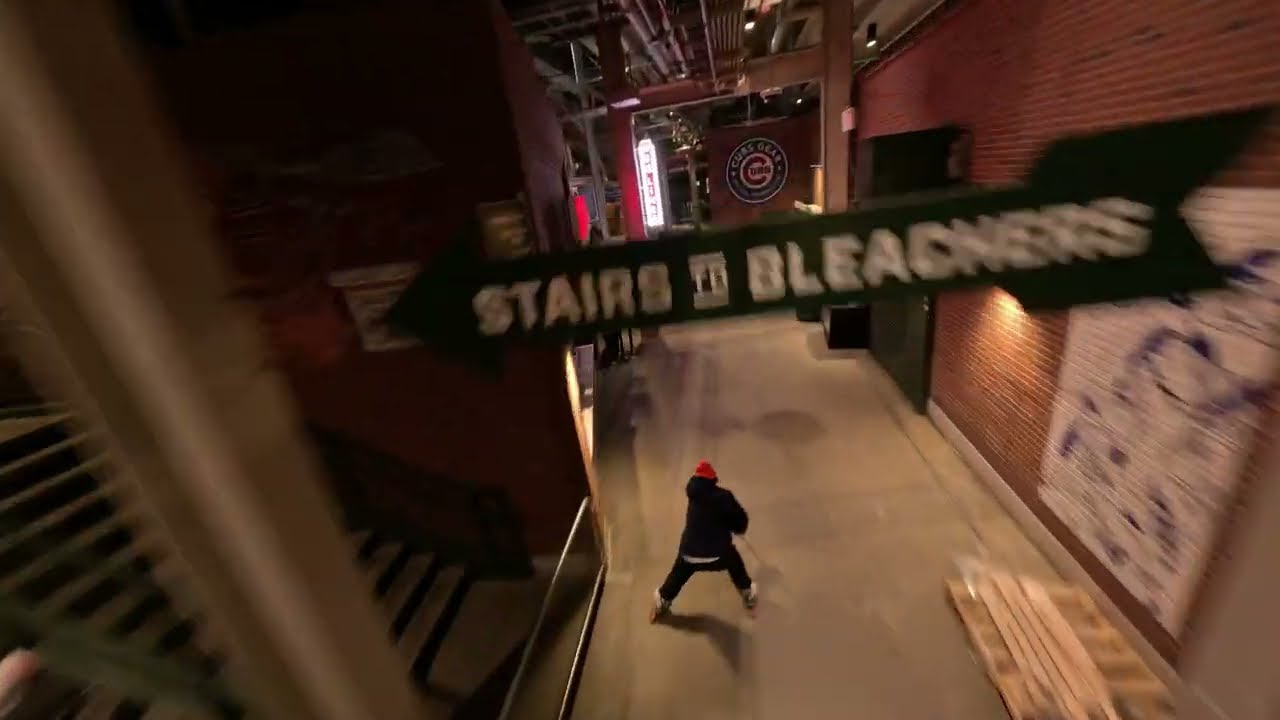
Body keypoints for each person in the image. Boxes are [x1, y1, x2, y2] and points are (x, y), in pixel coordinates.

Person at [651, 461, 758, 621]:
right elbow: (740, 521)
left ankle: (662, 603)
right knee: (735, 563)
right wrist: (737, 528)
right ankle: (748, 595)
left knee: (677, 575)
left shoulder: (692, 497)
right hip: (718, 555)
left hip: (689, 553)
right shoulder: (724, 496)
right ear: (712, 479)